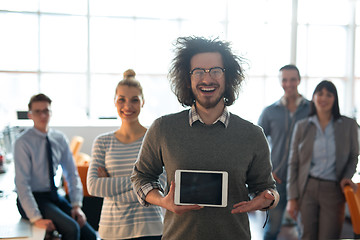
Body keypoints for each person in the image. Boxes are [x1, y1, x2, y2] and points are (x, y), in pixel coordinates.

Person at [131, 36, 279, 240]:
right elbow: (141, 176)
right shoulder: (163, 128)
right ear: (187, 78)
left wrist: (269, 199)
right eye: (198, 71)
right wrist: (163, 201)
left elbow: (267, 188)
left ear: (228, 78)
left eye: (216, 71)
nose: (207, 79)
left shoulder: (252, 134)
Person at [87, 69, 165, 240]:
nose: (127, 106)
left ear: (142, 102)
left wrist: (109, 187)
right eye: (121, 99)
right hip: (112, 229)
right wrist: (142, 182)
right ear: (114, 102)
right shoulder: (103, 142)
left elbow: (161, 186)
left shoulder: (154, 138)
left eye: (134, 100)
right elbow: (93, 186)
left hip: (150, 229)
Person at [14, 93, 97, 240]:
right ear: (30, 115)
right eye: (37, 111)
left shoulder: (59, 138)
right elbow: (22, 184)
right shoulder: (23, 142)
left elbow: (71, 173)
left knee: (89, 235)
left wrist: (76, 205)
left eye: (46, 110)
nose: (42, 115)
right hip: (33, 198)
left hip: (53, 196)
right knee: (72, 229)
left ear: (51, 113)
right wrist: (36, 218)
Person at [286, 80, 359, 240]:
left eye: (329, 94)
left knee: (329, 236)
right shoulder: (302, 126)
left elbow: (354, 156)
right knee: (307, 235)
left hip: (333, 189)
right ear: (313, 97)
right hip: (307, 188)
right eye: (320, 93)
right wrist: (292, 198)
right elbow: (293, 163)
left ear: (335, 99)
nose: (324, 98)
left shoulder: (349, 125)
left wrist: (347, 175)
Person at [258, 64, 310, 240]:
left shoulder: (312, 109)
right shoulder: (270, 112)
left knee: (307, 230)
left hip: (305, 180)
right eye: (284, 80)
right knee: (272, 229)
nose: (289, 84)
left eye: (293, 79)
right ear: (280, 82)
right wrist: (267, 172)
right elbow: (257, 145)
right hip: (277, 180)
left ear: (299, 80)